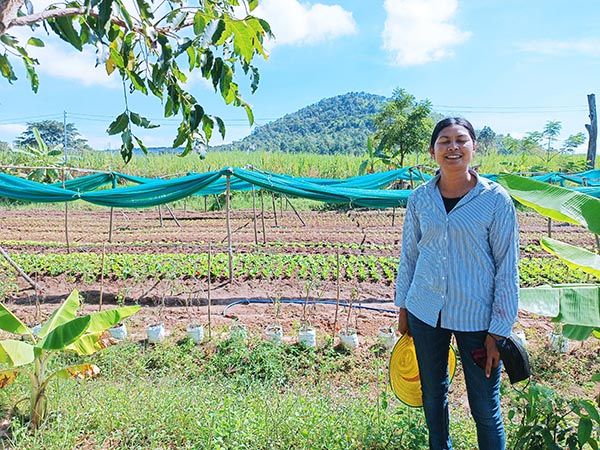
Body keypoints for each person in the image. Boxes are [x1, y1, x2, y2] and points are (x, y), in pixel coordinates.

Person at [395, 117, 519, 450]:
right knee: (433, 397)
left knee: (485, 407)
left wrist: (499, 330)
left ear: (473, 147)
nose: (453, 147)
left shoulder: (495, 200)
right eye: (444, 141)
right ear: (433, 150)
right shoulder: (420, 199)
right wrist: (403, 307)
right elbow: (409, 256)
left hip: (477, 319)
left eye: (461, 140)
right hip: (425, 313)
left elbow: (507, 266)